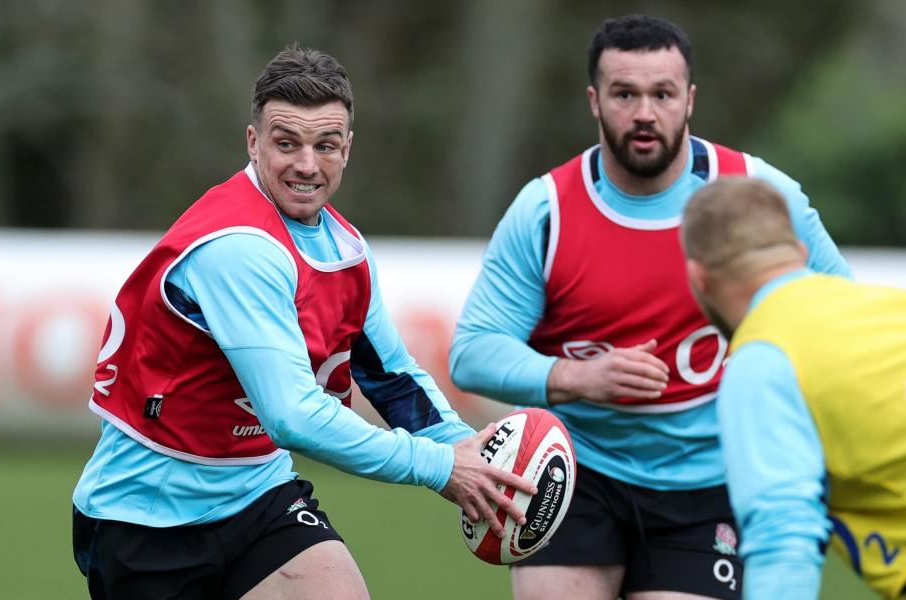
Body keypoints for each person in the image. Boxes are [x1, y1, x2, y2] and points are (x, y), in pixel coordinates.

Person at [71, 46, 535, 600]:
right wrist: (438, 467)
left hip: (257, 496)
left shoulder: (344, 248)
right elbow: (293, 415)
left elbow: (392, 378)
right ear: (253, 142)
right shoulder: (238, 246)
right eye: (286, 143)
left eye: (326, 146)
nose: (307, 165)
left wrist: (477, 458)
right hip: (148, 517)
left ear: (348, 150)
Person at [449, 14, 852, 600]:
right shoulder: (547, 210)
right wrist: (577, 376)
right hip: (576, 476)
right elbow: (472, 354)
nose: (644, 112)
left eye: (662, 94)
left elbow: (842, 316)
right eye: (624, 94)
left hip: (712, 481)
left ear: (689, 99)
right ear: (594, 101)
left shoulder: (756, 194)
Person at [681, 176, 906, 599]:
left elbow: (783, 539)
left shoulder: (763, 359)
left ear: (699, 279)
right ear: (801, 254)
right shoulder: (892, 307)